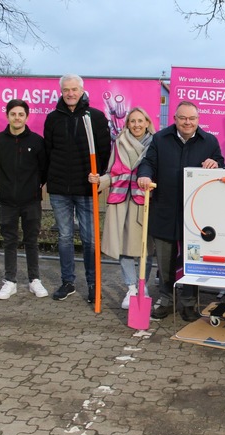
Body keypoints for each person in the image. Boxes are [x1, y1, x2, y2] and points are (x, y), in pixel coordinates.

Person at [137, 101, 224, 321]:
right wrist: (144, 175)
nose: (188, 122)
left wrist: (216, 164)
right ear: (175, 119)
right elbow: (148, 163)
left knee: (192, 261)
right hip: (165, 209)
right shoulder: (160, 138)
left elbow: (221, 167)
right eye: (183, 118)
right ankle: (165, 300)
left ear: (198, 119)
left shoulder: (209, 141)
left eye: (192, 118)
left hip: (195, 216)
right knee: (165, 261)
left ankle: (188, 303)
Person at [44, 74, 111, 303]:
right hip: (60, 188)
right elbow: (49, 150)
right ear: (61, 92)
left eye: (74, 89)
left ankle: (93, 283)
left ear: (82, 90)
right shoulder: (53, 118)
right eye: (66, 90)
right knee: (64, 237)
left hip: (86, 188)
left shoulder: (96, 117)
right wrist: (48, 180)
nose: (70, 93)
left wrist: (99, 178)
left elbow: (104, 152)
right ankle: (68, 282)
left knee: (90, 239)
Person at [88, 107, 156, 309]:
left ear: (147, 122)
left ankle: (143, 285)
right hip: (122, 202)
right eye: (132, 121)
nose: (136, 125)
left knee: (146, 248)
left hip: (145, 202)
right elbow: (113, 172)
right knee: (125, 247)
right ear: (127, 124)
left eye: (140, 121)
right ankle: (131, 288)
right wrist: (99, 180)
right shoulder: (119, 143)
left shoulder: (156, 143)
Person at [0, 99, 49, 300]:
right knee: (9, 241)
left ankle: (34, 280)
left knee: (31, 240)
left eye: (21, 114)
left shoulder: (37, 141)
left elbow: (44, 170)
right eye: (13, 114)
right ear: (7, 116)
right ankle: (10, 281)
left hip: (31, 201)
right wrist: (6, 188)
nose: (17, 118)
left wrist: (32, 188)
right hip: (6, 201)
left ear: (26, 116)